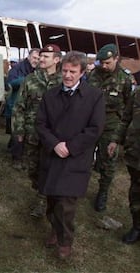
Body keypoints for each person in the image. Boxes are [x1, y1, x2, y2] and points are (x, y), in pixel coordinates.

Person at [36, 51, 105, 259]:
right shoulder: (50, 95)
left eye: (72, 71)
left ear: (82, 72)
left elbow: (95, 128)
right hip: (52, 155)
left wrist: (71, 147)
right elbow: (40, 124)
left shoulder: (94, 97)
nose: (67, 75)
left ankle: (65, 241)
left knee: (66, 204)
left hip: (75, 158)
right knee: (51, 200)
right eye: (65, 70)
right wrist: (55, 144)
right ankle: (54, 230)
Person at [12, 44, 62, 217]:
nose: (41, 59)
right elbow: (19, 106)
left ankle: (43, 200)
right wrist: (18, 130)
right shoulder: (30, 79)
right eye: (40, 56)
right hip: (32, 133)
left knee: (50, 168)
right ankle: (40, 190)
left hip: (54, 136)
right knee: (32, 168)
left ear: (56, 59)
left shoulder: (64, 81)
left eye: (46, 57)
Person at [87, 43, 133, 212]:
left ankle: (103, 192)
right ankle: (78, 185)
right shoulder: (93, 75)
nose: (104, 66)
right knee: (83, 156)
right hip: (90, 124)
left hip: (111, 126)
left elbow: (129, 107)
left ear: (116, 59)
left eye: (108, 62)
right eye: (102, 63)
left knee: (108, 161)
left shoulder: (125, 79)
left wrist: (122, 134)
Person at [5, 48, 40, 169]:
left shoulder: (38, 71)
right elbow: (9, 83)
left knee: (22, 130)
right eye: (34, 58)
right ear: (29, 57)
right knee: (18, 129)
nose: (36, 60)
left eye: (38, 59)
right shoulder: (18, 68)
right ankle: (17, 159)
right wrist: (27, 80)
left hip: (30, 105)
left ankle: (14, 149)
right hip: (15, 103)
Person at [121, 85, 140, 244]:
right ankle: (137, 226)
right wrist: (115, 139)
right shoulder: (138, 92)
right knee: (136, 191)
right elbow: (126, 118)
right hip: (135, 153)